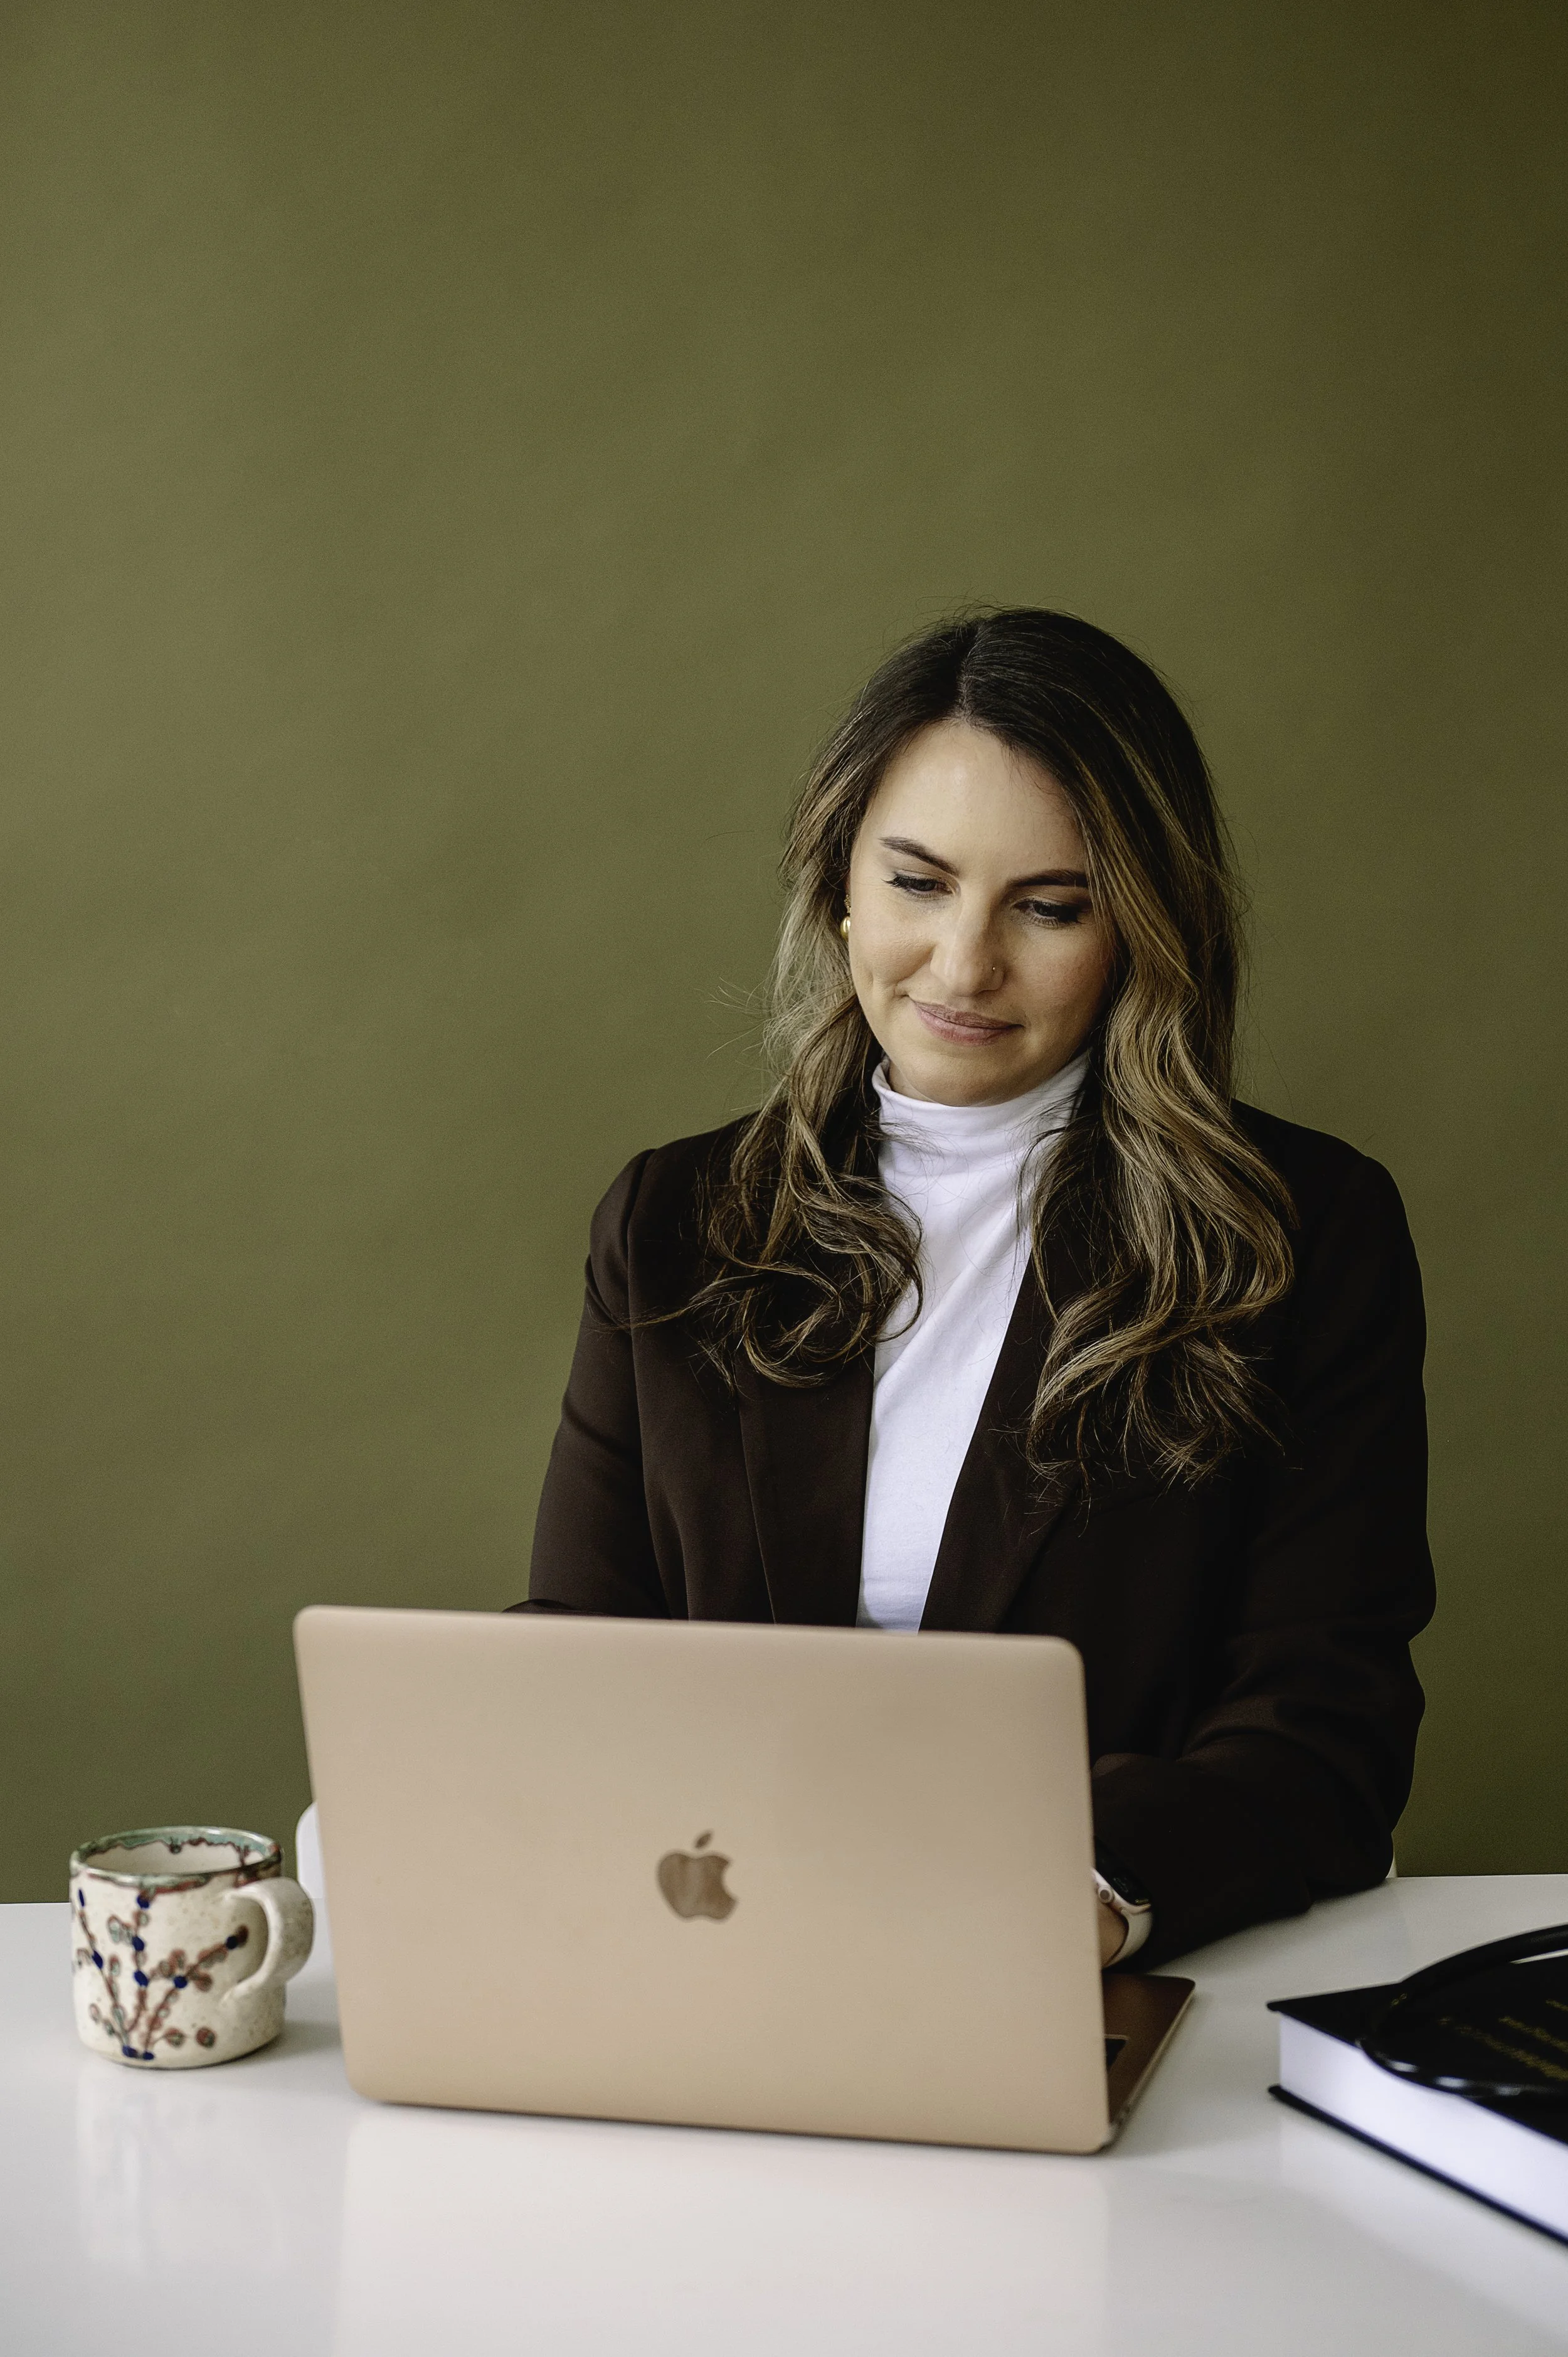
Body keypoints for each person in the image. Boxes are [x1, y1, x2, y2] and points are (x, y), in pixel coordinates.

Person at [517, 609, 1435, 1969]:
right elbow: (576, 1658)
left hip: (1083, 1967)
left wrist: (1074, 1899)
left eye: (1048, 907)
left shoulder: (1304, 1234)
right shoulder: (674, 1223)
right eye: (917, 884)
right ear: (837, 889)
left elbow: (1324, 1726)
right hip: (714, 1959)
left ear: (1140, 929)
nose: (962, 966)